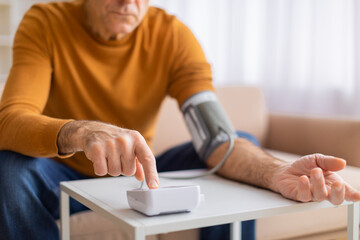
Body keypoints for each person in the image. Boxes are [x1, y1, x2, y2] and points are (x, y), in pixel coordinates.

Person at [0, 0, 359, 239]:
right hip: (56, 171)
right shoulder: (45, 21)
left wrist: (273, 173)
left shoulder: (172, 35)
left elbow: (219, 138)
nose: (129, 3)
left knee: (243, 138)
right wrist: (81, 131)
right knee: (7, 167)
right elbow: (10, 119)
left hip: (138, 171)